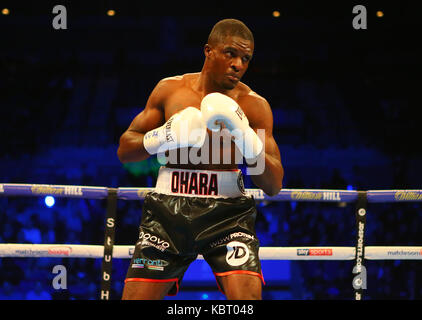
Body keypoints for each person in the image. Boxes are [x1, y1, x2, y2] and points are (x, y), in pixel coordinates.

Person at [117, 18, 284, 300]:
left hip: (229, 216)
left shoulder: (254, 105)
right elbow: (125, 151)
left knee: (248, 299)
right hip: (167, 214)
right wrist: (164, 136)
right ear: (208, 51)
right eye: (231, 53)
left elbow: (273, 184)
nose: (238, 64)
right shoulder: (170, 90)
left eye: (246, 58)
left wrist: (244, 135)